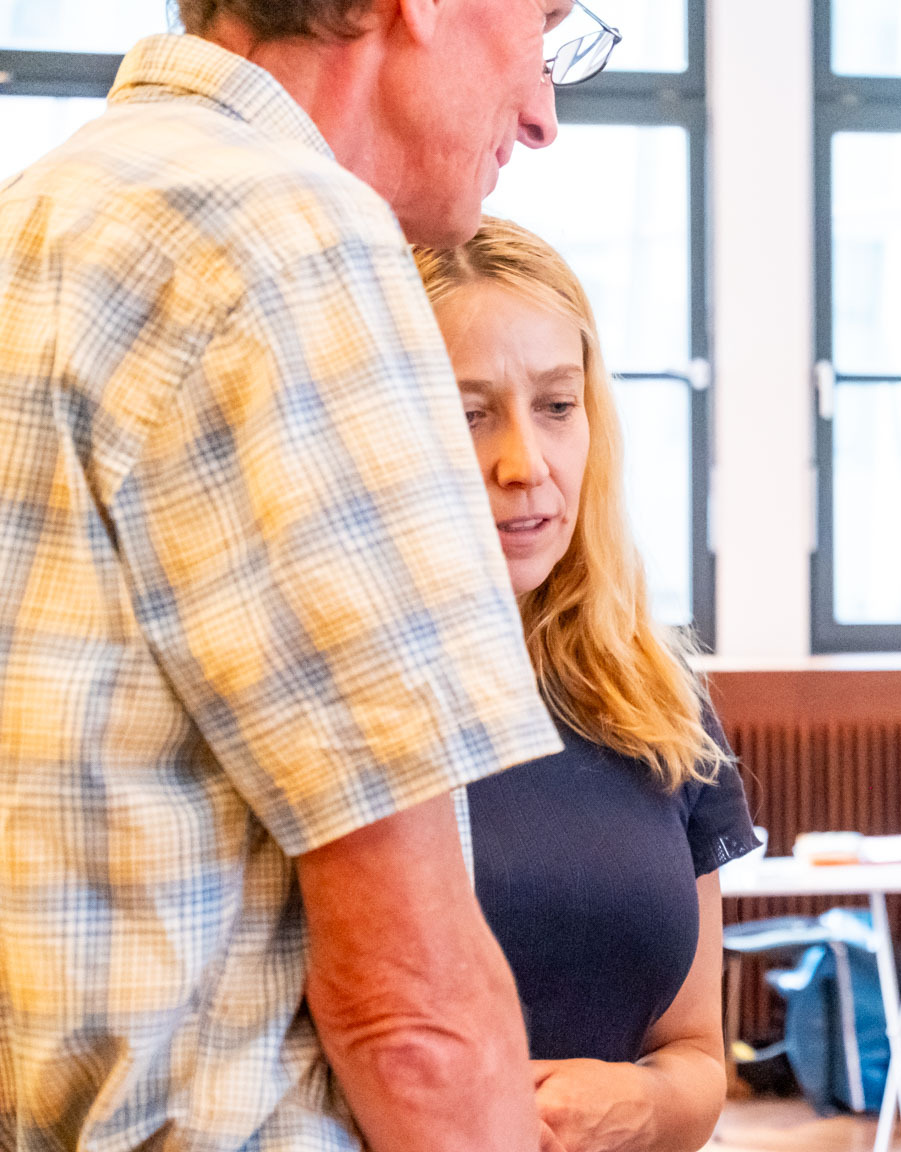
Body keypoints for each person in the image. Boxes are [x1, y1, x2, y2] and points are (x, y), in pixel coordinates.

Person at [0, 2, 620, 1150]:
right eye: (542, 21)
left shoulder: (38, 213)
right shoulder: (293, 236)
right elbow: (408, 1009)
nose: (540, 114)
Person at [414, 217, 760, 1152]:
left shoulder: (654, 693)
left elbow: (694, 1055)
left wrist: (640, 1108)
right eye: (468, 410)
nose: (524, 464)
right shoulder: (342, 690)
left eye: (557, 406)